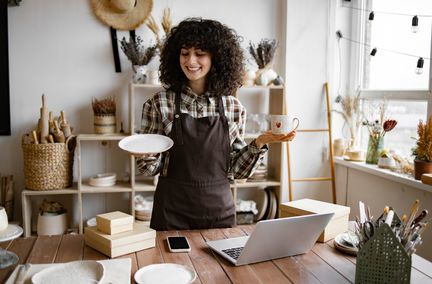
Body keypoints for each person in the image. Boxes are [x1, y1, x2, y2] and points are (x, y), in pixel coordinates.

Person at [138, 18, 296, 231]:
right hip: (171, 212)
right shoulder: (159, 104)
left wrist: (260, 142)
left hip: (218, 213)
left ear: (216, 57)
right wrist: (143, 154)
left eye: (200, 53)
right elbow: (150, 169)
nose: (191, 60)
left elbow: (237, 172)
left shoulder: (233, 107)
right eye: (185, 53)